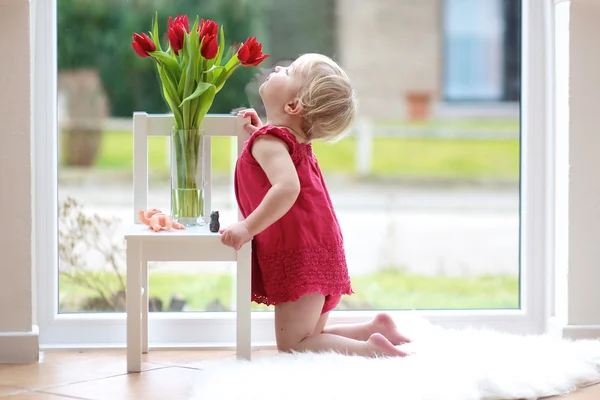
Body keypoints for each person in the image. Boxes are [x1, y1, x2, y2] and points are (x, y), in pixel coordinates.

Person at [220, 53, 410, 357]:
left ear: (293, 106)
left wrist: (247, 227)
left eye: (290, 71)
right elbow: (279, 161)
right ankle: (374, 329)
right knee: (310, 335)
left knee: (294, 343)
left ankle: (369, 349)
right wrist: (258, 133)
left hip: (299, 254)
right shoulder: (286, 142)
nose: (279, 67)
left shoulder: (270, 143)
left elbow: (287, 188)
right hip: (321, 246)